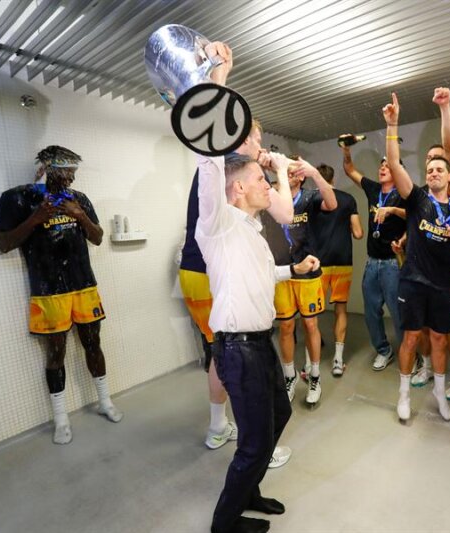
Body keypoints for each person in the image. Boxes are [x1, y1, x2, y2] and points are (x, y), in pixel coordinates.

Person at [177, 43, 294, 468]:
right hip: (210, 270)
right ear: (238, 137)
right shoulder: (225, 172)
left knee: (220, 351)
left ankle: (217, 426)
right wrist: (217, 78)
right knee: (233, 352)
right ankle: (254, 439)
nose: (260, 146)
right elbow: (285, 211)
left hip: (197, 268)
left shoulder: (233, 172)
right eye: (255, 138)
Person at [197, 147, 320, 533]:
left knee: (279, 415)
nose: (268, 187)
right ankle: (224, 524)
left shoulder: (252, 229)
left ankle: (249, 491)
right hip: (237, 347)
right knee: (253, 443)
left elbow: (260, 275)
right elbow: (207, 166)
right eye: (260, 181)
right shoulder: (218, 223)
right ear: (235, 188)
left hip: (259, 343)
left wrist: (292, 269)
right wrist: (216, 96)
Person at [0, 145, 122, 445]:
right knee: (55, 353)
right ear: (49, 168)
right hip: (48, 291)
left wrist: (81, 216)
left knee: (94, 343)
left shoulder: (79, 200)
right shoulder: (18, 198)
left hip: (84, 285)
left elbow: (99, 237)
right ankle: (61, 419)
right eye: (66, 172)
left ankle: (104, 401)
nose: (71, 179)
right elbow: (3, 243)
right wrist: (34, 220)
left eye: (73, 172)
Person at [382, 92, 450, 422]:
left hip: (443, 286)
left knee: (439, 338)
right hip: (412, 282)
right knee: (410, 337)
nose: (434, 172)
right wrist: (393, 125)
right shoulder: (417, 199)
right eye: (430, 169)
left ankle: (440, 392)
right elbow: (394, 164)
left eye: (440, 169)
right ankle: (405, 394)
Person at [408, 89, 450, 398]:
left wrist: (445, 108)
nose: (433, 167)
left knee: (445, 328)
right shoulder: (422, 194)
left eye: (439, 163)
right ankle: (426, 365)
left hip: (447, 267)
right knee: (420, 326)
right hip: (417, 266)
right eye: (428, 163)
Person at [271, 157, 337, 405]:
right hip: (282, 271)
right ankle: (289, 377)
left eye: (291, 172)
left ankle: (315, 376)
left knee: (310, 326)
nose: (286, 175)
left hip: (308, 273)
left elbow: (331, 203)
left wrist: (316, 174)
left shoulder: (309, 197)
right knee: (286, 327)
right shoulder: (272, 195)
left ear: (300, 176)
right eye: (283, 171)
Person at [342, 141, 407, 371]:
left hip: (393, 264)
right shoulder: (373, 189)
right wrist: (347, 151)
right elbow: (350, 170)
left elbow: (415, 217)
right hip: (372, 263)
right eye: (381, 165)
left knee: (399, 314)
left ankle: (408, 353)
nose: (382, 168)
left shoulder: (404, 193)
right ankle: (384, 350)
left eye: (388, 166)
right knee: (371, 312)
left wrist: (393, 214)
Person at [310, 164, 364, 376]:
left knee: (311, 313)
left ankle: (309, 362)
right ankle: (338, 360)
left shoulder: (309, 200)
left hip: (317, 264)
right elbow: (358, 233)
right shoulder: (347, 199)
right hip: (342, 261)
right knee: (341, 309)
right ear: (333, 179)